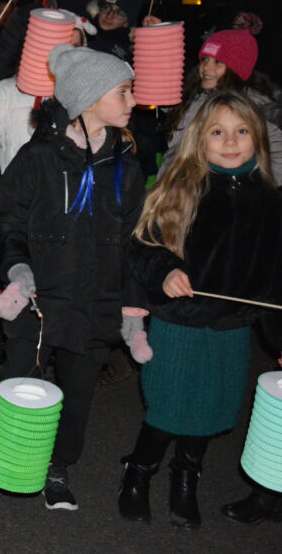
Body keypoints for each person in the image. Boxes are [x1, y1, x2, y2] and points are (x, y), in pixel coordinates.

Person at [0, 44, 146, 515]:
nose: (133, 100)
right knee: (20, 386)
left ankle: (58, 465)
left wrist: (132, 310)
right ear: (89, 99)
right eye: (123, 91)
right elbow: (6, 221)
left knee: (76, 396)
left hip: (96, 305)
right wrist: (18, 270)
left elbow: (136, 244)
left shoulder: (127, 167)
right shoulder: (38, 159)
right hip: (37, 302)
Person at [118, 92, 282, 529]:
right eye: (218, 132)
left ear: (258, 139)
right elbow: (142, 246)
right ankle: (138, 471)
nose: (231, 142)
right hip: (179, 324)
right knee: (168, 408)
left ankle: (185, 478)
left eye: (242, 131)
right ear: (200, 139)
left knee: (209, 412)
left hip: (230, 330)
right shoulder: (182, 186)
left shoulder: (270, 201)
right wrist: (166, 270)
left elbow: (273, 282)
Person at [163, 29, 282, 182]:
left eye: (218, 62)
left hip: (219, 195)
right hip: (184, 189)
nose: (206, 68)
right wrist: (159, 37)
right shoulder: (196, 96)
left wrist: (246, 186)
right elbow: (160, 88)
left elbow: (278, 156)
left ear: (236, 68)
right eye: (205, 59)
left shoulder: (250, 107)